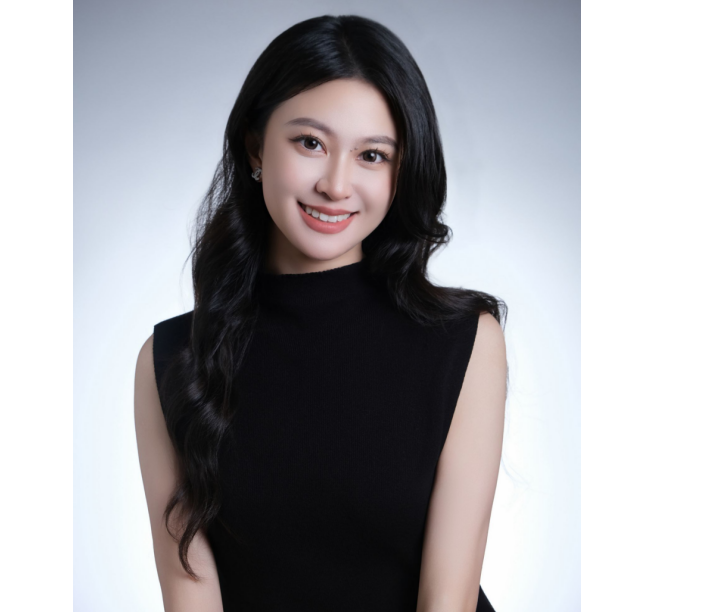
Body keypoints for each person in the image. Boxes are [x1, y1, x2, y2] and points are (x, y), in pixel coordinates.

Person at [134, 14, 508, 612]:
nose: (336, 184)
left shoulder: (463, 342)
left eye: (372, 155)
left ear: (401, 173)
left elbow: (449, 598)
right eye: (310, 143)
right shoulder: (173, 359)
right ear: (256, 146)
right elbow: (189, 591)